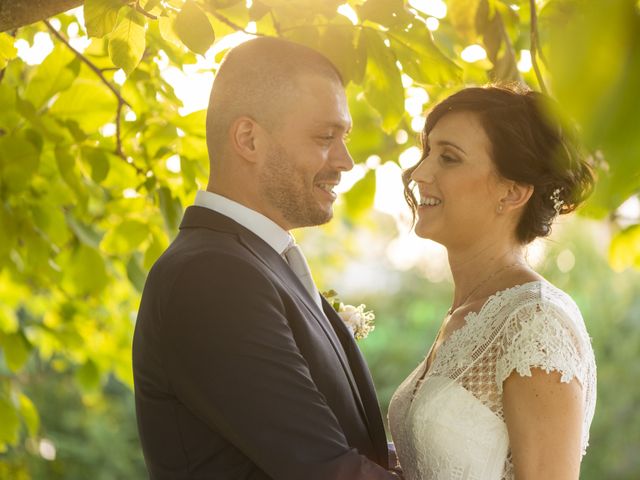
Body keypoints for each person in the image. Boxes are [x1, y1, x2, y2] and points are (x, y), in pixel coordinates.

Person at [133, 37, 400, 479]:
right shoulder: (212, 278)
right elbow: (326, 471)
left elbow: (345, 446)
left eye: (344, 137)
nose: (346, 160)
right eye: (324, 137)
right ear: (248, 139)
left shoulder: (257, 263)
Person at [388, 85, 597, 480]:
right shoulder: (466, 311)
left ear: (512, 192)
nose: (420, 173)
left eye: (448, 158)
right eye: (428, 152)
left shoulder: (535, 322)